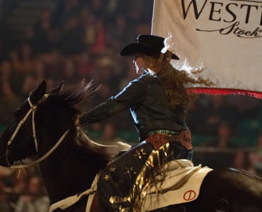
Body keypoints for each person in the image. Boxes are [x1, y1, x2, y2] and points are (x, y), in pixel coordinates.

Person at [79, 34, 211, 211]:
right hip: (183, 150)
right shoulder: (174, 83)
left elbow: (113, 106)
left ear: (147, 58)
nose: (134, 60)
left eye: (137, 56)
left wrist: (81, 120)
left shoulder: (144, 83)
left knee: (108, 178)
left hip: (159, 149)